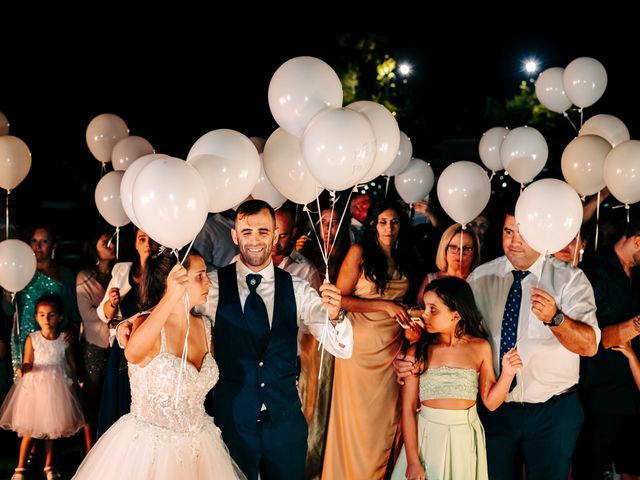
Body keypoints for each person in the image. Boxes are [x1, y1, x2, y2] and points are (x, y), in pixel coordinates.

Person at [116, 200, 352, 480]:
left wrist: (336, 316)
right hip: (230, 427)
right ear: (234, 235)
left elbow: (340, 346)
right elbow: (169, 310)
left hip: (285, 426)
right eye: (247, 232)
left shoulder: (298, 288)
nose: (255, 240)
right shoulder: (210, 285)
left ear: (275, 235)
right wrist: (126, 324)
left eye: (263, 232)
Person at [396, 206, 599, 480]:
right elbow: (449, 329)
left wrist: (557, 318)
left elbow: (589, 346)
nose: (514, 241)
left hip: (552, 411)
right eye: (508, 231)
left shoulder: (569, 280)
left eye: (523, 233)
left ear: (542, 234)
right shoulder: (481, 278)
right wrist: (412, 358)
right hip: (494, 411)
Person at [73, 248, 245, 478]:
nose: (209, 283)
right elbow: (132, 354)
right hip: (151, 453)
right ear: (175, 281)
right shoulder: (145, 324)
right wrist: (170, 297)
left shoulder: (204, 327)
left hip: (201, 449)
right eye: (199, 276)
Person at [391, 277, 522, 480]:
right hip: (427, 438)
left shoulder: (480, 348)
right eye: (425, 307)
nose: (425, 315)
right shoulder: (418, 351)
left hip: (464, 438)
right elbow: (407, 409)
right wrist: (413, 461)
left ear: (456, 314)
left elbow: (491, 402)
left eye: (433, 309)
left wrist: (507, 373)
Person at [322, 201, 415, 480]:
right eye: (383, 222)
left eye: (394, 222)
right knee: (358, 422)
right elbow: (339, 299)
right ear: (373, 224)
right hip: (359, 350)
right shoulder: (359, 252)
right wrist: (384, 305)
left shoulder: (407, 255)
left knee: (386, 420)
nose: (389, 228)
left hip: (393, 347)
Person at [573, 216, 640, 479]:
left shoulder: (637, 273)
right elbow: (601, 337)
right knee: (591, 471)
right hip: (602, 395)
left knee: (633, 471)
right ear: (637, 241)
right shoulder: (594, 272)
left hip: (635, 392)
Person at [0, 294, 84, 480]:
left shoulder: (64, 339)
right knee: (30, 429)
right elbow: (28, 360)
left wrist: (75, 379)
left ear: (60, 317)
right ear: (36, 317)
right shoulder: (33, 338)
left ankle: (49, 465)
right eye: (42, 315)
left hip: (57, 388)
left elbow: (71, 362)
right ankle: (20, 467)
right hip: (37, 387)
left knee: (52, 429)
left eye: (51, 314)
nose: (47, 318)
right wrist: (24, 368)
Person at [95, 229, 157, 436]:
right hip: (124, 346)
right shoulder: (123, 271)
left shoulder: (165, 273)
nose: (148, 243)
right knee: (121, 402)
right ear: (136, 245)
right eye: (142, 239)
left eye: (152, 239)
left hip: (152, 348)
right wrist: (112, 303)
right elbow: (104, 314)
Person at [7, 224, 80, 374]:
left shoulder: (65, 274)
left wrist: (71, 329)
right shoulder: (19, 271)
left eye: (44, 241)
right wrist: (7, 296)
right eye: (34, 240)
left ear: (54, 245)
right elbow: (8, 309)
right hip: (24, 336)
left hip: (54, 337)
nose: (38, 245)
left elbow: (73, 309)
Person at [75, 227, 116, 447]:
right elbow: (88, 315)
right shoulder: (84, 276)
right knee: (92, 399)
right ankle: (91, 449)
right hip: (94, 345)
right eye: (105, 242)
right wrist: (110, 311)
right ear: (94, 248)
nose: (111, 245)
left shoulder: (122, 273)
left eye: (113, 241)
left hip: (117, 344)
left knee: (114, 397)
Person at [414, 223, 480, 305]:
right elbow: (420, 311)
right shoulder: (431, 279)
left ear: (475, 252)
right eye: (453, 247)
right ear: (444, 250)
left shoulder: (480, 281)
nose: (459, 253)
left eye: (466, 248)